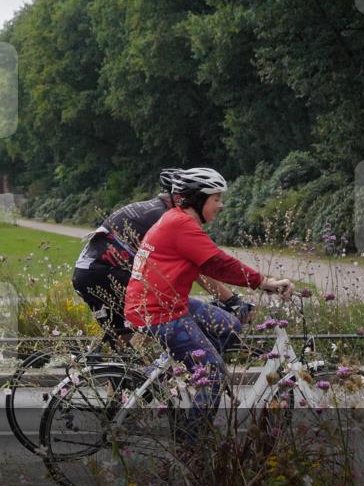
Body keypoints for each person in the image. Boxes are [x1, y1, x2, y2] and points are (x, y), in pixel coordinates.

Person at [123, 167, 293, 417]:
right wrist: (264, 282)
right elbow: (219, 263)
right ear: (198, 199)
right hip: (159, 311)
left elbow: (210, 265)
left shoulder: (177, 220)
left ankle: (174, 371)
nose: (221, 205)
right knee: (212, 374)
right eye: (216, 198)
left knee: (230, 327)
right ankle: (191, 447)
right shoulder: (181, 225)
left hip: (162, 302)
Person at [72, 169, 182, 347]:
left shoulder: (150, 208)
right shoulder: (163, 216)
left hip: (89, 272)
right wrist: (230, 299)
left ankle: (110, 370)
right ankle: (131, 361)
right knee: (160, 310)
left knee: (122, 336)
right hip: (102, 272)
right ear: (177, 197)